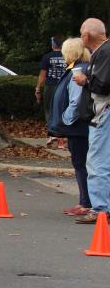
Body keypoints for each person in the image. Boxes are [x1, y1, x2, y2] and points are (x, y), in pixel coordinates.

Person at [72, 19, 109, 225]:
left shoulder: (104, 53)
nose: (80, 37)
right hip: (102, 113)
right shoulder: (103, 52)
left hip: (102, 113)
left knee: (97, 162)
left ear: (87, 36)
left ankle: (100, 209)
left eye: (81, 33)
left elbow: (103, 84)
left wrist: (84, 80)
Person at [50, 38, 90, 217]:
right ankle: (86, 201)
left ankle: (85, 203)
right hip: (81, 126)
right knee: (84, 164)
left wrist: (65, 120)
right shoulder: (81, 68)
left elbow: (76, 101)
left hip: (78, 127)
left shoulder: (77, 71)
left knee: (80, 164)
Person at [37, 36, 66, 146]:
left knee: (49, 110)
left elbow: (42, 75)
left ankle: (52, 135)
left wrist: (38, 88)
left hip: (50, 86)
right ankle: (61, 139)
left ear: (53, 44)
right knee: (62, 110)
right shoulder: (67, 56)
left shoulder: (47, 57)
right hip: (64, 87)